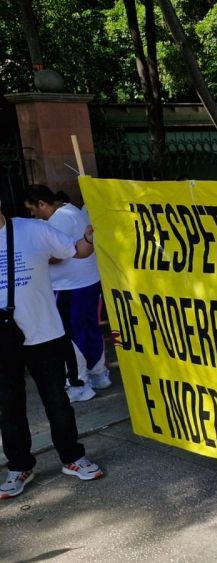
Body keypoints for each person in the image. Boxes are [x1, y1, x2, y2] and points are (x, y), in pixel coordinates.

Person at [0, 204, 105, 499]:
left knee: (57, 401)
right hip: (3, 340)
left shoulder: (32, 230)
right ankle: (19, 466)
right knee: (9, 408)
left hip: (44, 334)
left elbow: (77, 251)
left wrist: (88, 237)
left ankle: (72, 457)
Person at [23, 186, 112, 401]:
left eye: (33, 209)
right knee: (89, 330)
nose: (32, 215)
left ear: (42, 204)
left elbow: (57, 255)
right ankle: (99, 374)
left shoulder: (59, 220)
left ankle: (79, 384)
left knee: (71, 337)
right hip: (86, 283)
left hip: (70, 287)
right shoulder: (71, 211)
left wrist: (33, 258)